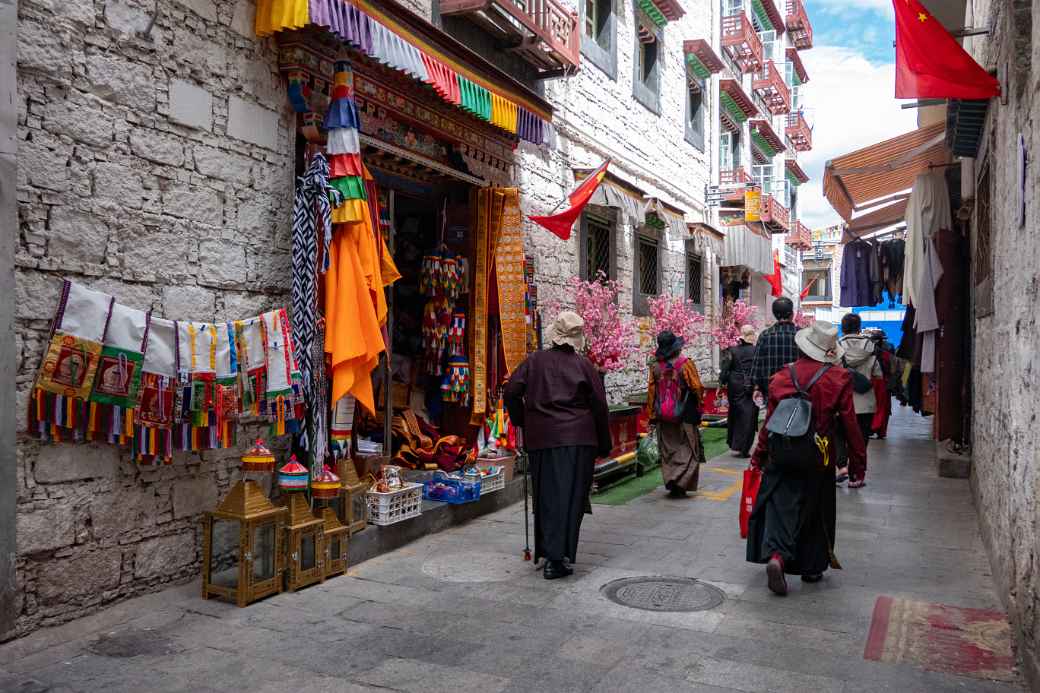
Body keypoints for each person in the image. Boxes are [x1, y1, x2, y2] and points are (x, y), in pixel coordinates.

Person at [746, 321, 866, 595]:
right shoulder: (838, 378)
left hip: (782, 451)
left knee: (780, 507)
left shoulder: (781, 377)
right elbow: (850, 425)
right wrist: (858, 463)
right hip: (819, 455)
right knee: (815, 509)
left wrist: (758, 454)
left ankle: (777, 557)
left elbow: (769, 423)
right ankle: (811, 568)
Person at [503, 311, 612, 580]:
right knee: (571, 498)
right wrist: (604, 443)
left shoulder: (534, 361)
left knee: (547, 495)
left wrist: (523, 420)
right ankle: (556, 557)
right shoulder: (584, 365)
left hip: (542, 439)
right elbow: (600, 406)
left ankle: (551, 552)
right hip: (578, 440)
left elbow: (510, 392)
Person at [645, 331, 705, 498]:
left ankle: (671, 479)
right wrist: (700, 406)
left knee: (668, 449)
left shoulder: (655, 367)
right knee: (688, 447)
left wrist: (652, 415)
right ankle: (682, 482)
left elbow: (651, 393)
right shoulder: (685, 364)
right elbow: (697, 387)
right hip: (685, 414)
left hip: (663, 415)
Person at [835, 313, 881, 487]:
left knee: (838, 434)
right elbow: (877, 374)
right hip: (865, 403)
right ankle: (856, 477)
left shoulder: (835, 347)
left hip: (841, 402)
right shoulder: (871, 348)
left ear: (843, 327)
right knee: (860, 440)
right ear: (859, 327)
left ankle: (841, 466)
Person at [720, 325, 759, 458]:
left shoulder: (732, 351)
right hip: (752, 385)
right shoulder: (757, 351)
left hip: (735, 385)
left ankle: (736, 444)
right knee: (750, 415)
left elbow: (725, 369)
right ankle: (745, 447)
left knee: (736, 414)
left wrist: (721, 383)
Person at [751, 297, 799, 400]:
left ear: (774, 315)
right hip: (797, 392)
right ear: (792, 314)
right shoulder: (801, 335)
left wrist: (757, 388)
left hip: (772, 393)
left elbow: (757, 366)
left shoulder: (765, 335)